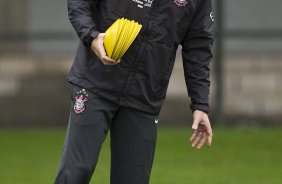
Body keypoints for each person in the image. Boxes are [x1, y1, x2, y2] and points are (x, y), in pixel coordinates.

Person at [54, 0, 214, 183]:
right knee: (75, 173)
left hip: (144, 96)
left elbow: (198, 48)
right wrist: (92, 37)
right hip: (95, 83)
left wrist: (200, 104)